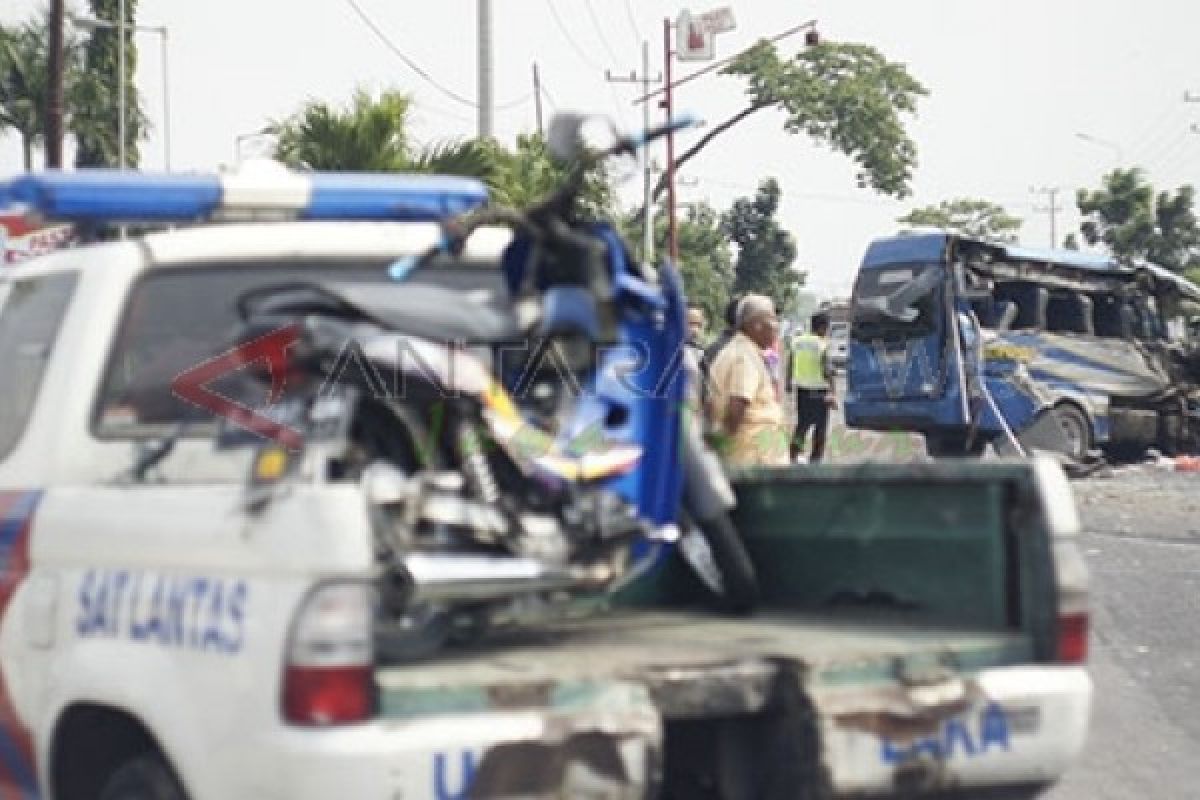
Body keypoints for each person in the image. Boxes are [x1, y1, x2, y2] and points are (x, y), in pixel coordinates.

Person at [707, 294, 789, 466]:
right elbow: (737, 407)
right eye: (773, 320)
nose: (777, 327)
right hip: (751, 459)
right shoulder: (745, 357)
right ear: (756, 325)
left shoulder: (744, 350)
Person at [787, 311, 837, 463]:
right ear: (822, 327)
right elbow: (827, 369)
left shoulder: (797, 341)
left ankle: (793, 454)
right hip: (819, 391)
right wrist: (833, 392)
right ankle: (815, 459)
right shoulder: (822, 344)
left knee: (802, 424)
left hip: (801, 390)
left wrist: (788, 382)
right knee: (820, 427)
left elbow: (790, 362)